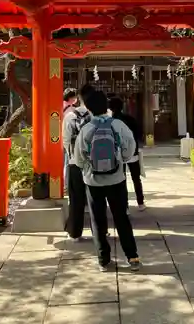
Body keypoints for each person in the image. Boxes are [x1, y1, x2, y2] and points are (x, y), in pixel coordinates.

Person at [74, 90, 140, 272]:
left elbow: (78, 159)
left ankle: (104, 260)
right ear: (106, 106)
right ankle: (132, 256)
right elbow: (130, 147)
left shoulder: (86, 129)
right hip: (116, 178)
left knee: (97, 219)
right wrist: (121, 159)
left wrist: (88, 167)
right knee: (121, 217)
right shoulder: (118, 125)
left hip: (93, 181)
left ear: (89, 108)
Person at [63, 84, 94, 241]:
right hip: (94, 164)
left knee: (76, 199)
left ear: (79, 98)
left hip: (75, 163)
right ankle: (99, 231)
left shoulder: (70, 116)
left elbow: (65, 140)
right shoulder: (99, 116)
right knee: (97, 199)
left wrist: (71, 154)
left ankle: (75, 233)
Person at [109, 96, 146, 212]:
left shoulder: (111, 121)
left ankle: (125, 206)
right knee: (136, 178)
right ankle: (140, 202)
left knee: (121, 180)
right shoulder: (130, 119)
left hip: (118, 154)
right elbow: (139, 134)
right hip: (132, 152)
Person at [63, 87, 78, 191]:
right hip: (69, 139)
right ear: (72, 97)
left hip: (59, 137)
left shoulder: (59, 105)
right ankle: (67, 184)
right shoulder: (72, 111)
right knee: (68, 162)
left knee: (65, 162)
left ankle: (64, 184)